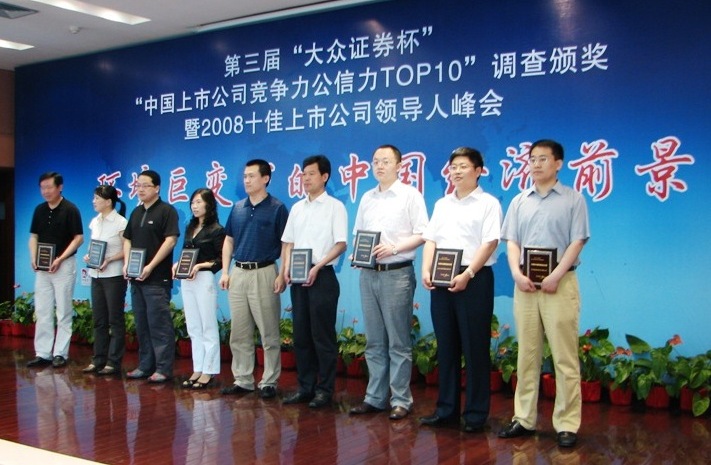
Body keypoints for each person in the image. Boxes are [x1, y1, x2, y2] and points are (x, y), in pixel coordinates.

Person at [498, 139, 590, 448]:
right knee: (527, 355)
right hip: (525, 285)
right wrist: (515, 273)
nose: (536, 164)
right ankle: (524, 418)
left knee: (564, 357)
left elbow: (578, 241)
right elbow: (511, 241)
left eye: (543, 159)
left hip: (559, 285)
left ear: (558, 163)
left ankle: (566, 423)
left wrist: (556, 275)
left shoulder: (573, 199)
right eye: (532, 159)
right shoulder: (519, 201)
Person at [419, 147, 502, 432]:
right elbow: (431, 239)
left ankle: (476, 414)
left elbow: (490, 243)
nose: (456, 171)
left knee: (475, 346)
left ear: (478, 171)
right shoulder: (443, 204)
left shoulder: (488, 203)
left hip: (474, 278)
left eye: (463, 166)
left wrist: (468, 273)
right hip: (441, 277)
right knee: (446, 346)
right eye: (453, 166)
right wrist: (426, 269)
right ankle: (446, 410)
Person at [348, 144, 428, 420]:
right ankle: (374, 397)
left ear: (399, 165)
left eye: (385, 161)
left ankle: (401, 400)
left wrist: (394, 248)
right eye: (375, 161)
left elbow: (423, 233)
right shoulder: (367, 198)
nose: (379, 166)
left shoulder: (410, 195)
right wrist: (357, 254)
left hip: (397, 273)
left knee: (398, 341)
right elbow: (359, 234)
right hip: (368, 274)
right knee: (374, 340)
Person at [281, 155, 348, 408]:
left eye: (311, 174)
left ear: (324, 176)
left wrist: (318, 266)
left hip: (322, 275)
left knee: (322, 336)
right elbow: (288, 242)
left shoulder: (335, 207)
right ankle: (305, 387)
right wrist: (285, 269)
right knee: (301, 335)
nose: (306, 178)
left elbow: (341, 243)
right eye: (303, 174)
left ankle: (324, 390)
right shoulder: (297, 208)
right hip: (298, 276)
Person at [219, 159, 288, 399]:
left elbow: (286, 244)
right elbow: (229, 240)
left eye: (251, 176)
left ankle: (269, 381)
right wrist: (225, 271)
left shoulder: (277, 208)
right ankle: (243, 379)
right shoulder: (238, 208)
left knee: (269, 332)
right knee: (239, 332)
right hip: (238, 272)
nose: (246, 180)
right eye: (245, 176)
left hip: (265, 271)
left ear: (265, 178)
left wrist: (282, 273)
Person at [122, 170, 180, 383]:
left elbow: (171, 240)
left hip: (156, 279)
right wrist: (127, 263)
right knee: (142, 324)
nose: (140, 189)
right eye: (138, 185)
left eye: (145, 185)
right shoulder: (136, 212)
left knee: (159, 324)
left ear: (157, 188)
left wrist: (150, 266)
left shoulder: (167, 211)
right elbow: (127, 239)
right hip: (136, 278)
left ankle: (163, 368)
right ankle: (145, 365)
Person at [27, 172, 84, 368]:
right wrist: (33, 257)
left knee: (63, 310)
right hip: (43, 268)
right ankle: (43, 353)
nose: (46, 191)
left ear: (60, 187)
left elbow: (78, 238)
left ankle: (60, 353)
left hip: (63, 265)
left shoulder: (70, 209)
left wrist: (60, 258)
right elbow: (34, 236)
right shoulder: (39, 210)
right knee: (42, 310)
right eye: (43, 188)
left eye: (49, 187)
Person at [173, 188, 226, 389]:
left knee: (207, 325)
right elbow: (186, 253)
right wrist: (177, 265)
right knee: (193, 326)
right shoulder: (190, 227)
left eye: (198, 202)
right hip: (187, 280)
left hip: (204, 279)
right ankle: (198, 368)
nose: (194, 206)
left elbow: (221, 260)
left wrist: (200, 266)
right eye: (192, 203)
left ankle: (209, 370)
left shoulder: (217, 230)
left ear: (209, 204)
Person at [81, 185, 128, 375]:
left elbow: (127, 250)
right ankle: (98, 359)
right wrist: (88, 256)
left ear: (108, 202)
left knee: (115, 320)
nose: (93, 201)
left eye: (97, 198)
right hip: (96, 275)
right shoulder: (95, 221)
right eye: (94, 198)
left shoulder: (121, 222)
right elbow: (93, 246)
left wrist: (109, 259)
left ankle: (113, 361)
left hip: (114, 276)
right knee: (99, 319)